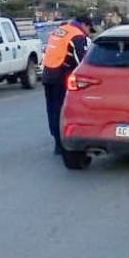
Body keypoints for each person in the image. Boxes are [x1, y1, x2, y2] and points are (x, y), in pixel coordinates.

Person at [42, 15, 96, 155]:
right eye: (89, 29)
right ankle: (63, 144)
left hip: (48, 74)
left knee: (52, 110)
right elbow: (82, 63)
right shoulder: (77, 36)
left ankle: (57, 143)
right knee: (63, 111)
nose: (88, 33)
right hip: (61, 76)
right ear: (84, 24)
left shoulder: (60, 30)